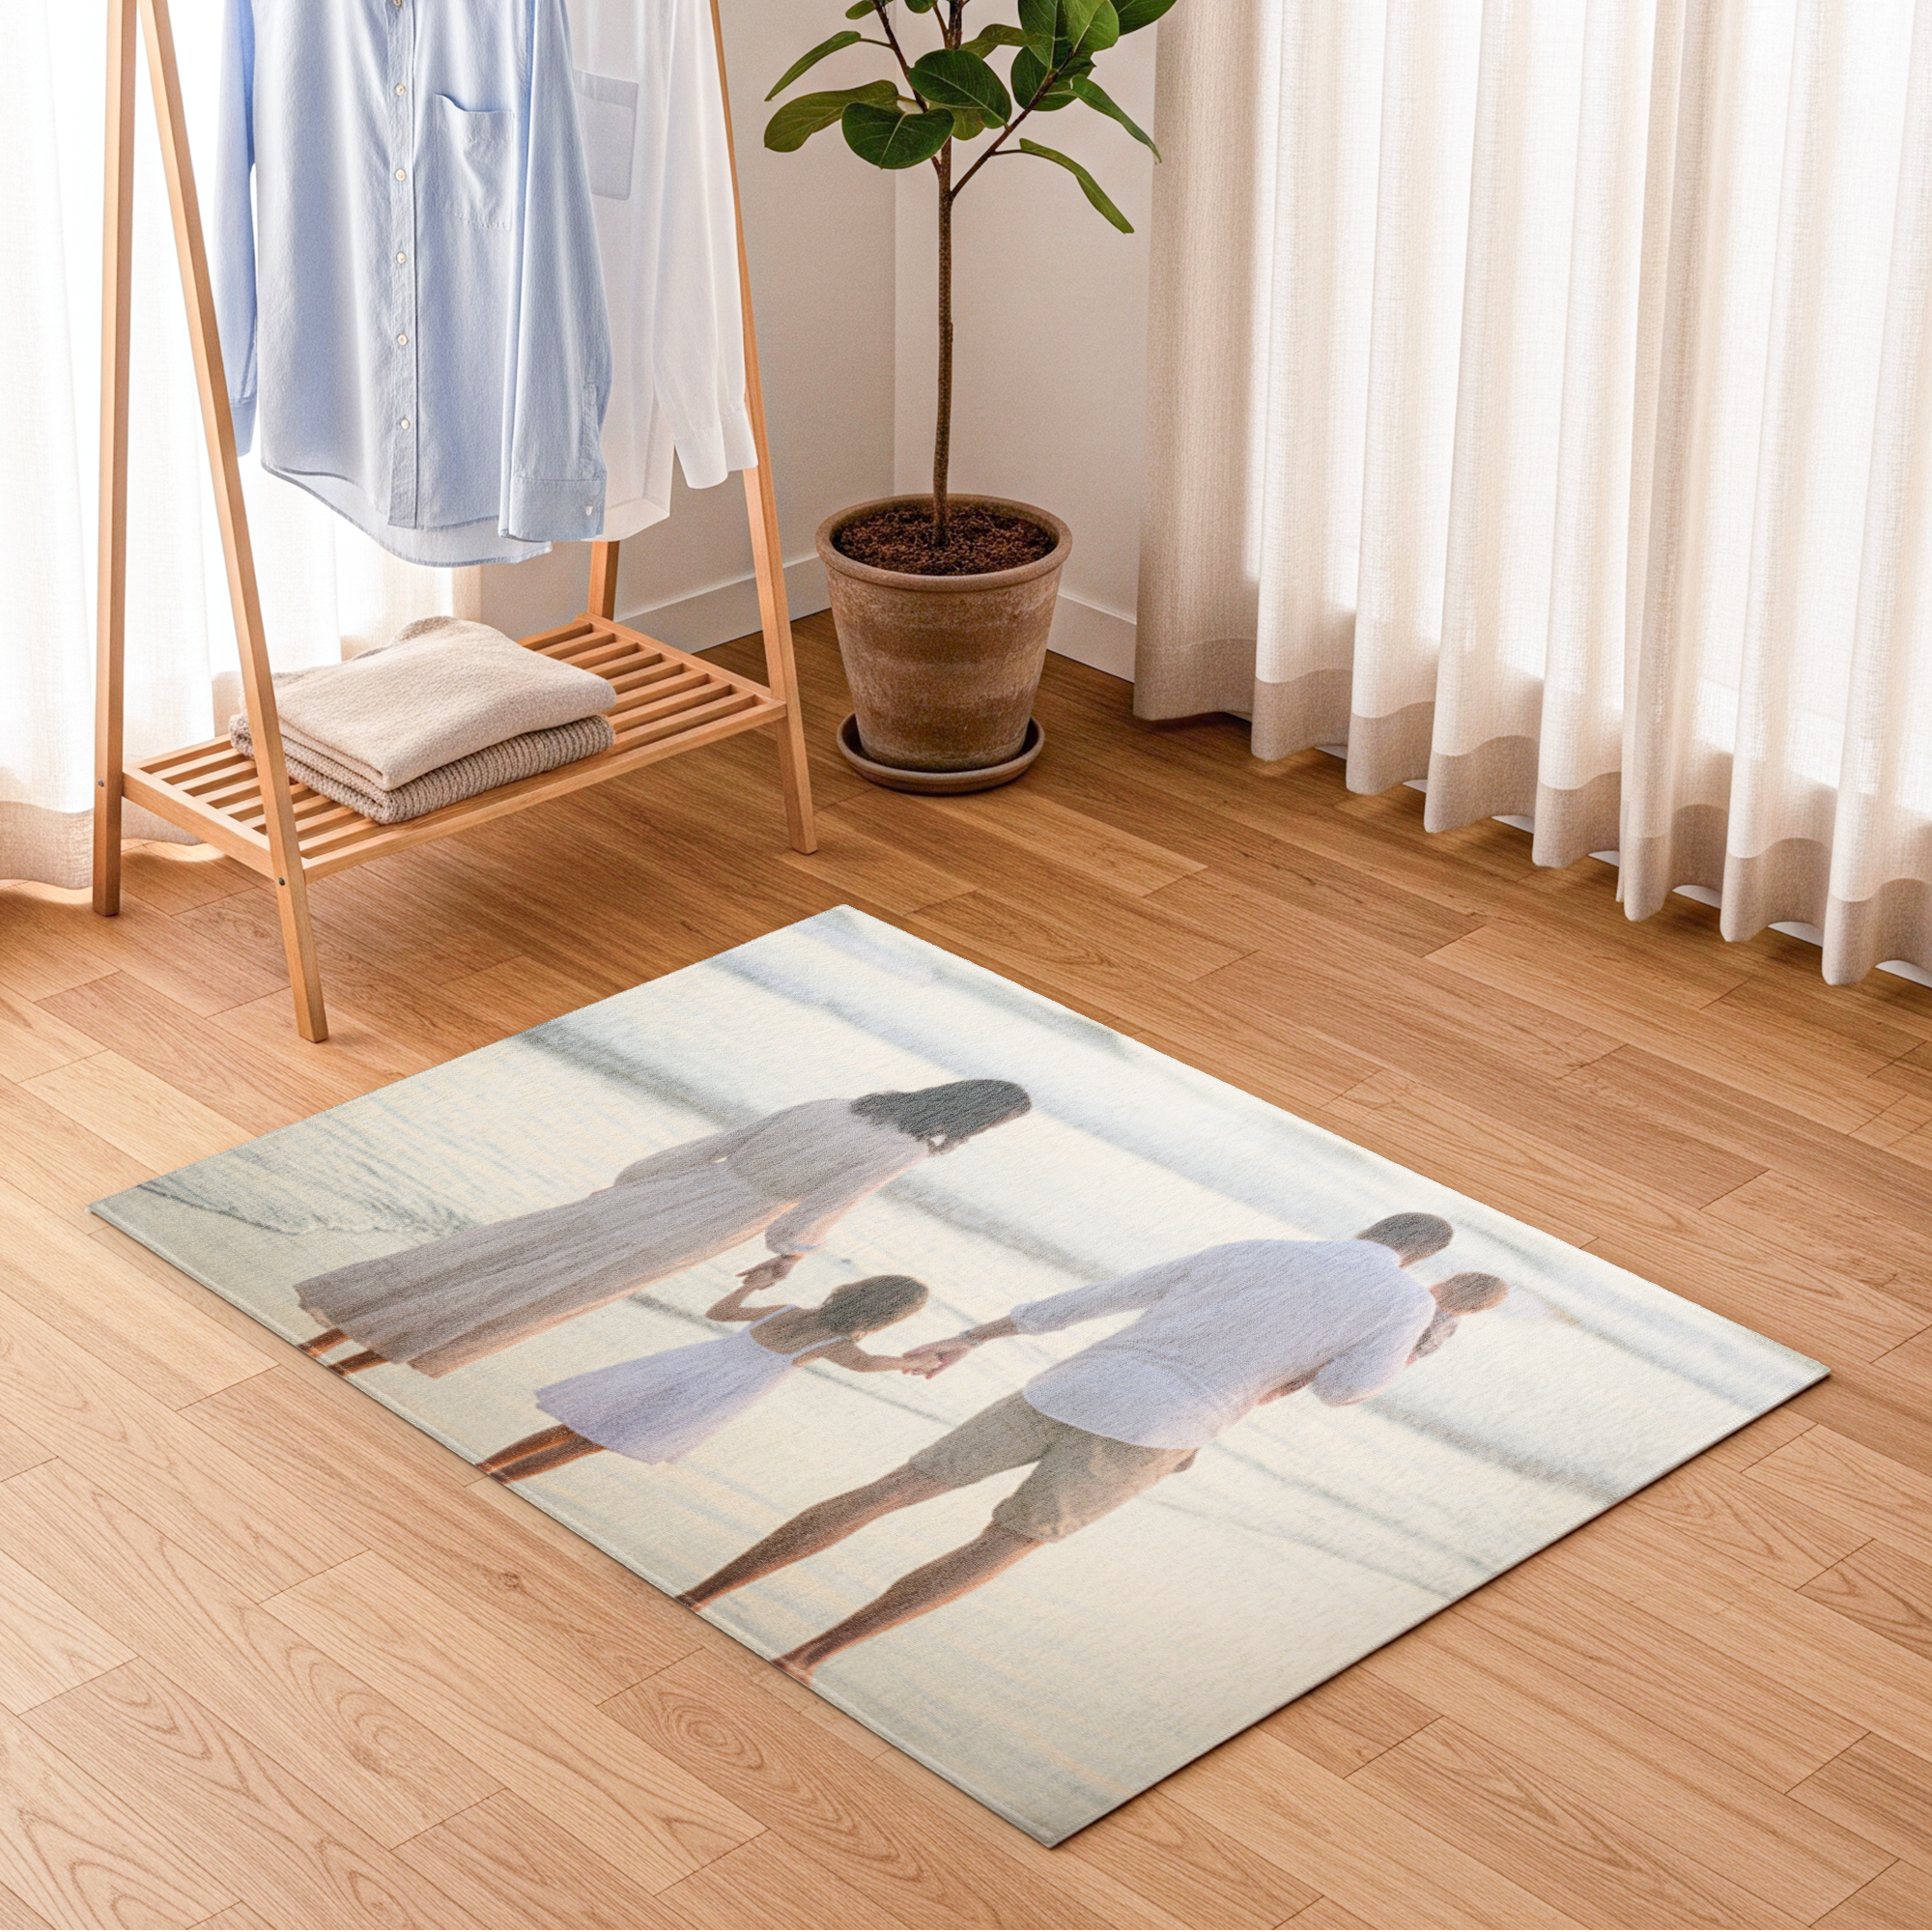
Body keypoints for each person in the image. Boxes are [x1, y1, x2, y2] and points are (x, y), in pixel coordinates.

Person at [680, 1214, 1510, 1681]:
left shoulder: (1260, 1247)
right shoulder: (1404, 1307)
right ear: (1424, 1262)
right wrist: (1415, 1335)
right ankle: (808, 1655)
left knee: (891, 1490)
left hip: (1070, 1386)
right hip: (1159, 1431)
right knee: (1005, 1543)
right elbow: (1343, 1390)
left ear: (1367, 1227)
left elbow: (1103, 1298)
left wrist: (971, 1336)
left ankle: (704, 1594)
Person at [294, 1079, 1030, 1378]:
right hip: (720, 1218)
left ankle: (329, 1331)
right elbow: (822, 1210)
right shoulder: (898, 1149)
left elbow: (724, 1137)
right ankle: (357, 1364)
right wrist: (786, 1262)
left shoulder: (840, 1105)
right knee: (544, 1291)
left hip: (683, 1184)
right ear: (973, 1123)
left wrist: (641, 1175)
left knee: (503, 1254)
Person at [475, 1273, 931, 1482]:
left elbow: (721, 1312)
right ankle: (503, 1480)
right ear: (884, 1317)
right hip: (715, 1392)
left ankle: (488, 1467)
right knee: (596, 1440)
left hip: (691, 1364)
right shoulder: (835, 1346)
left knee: (577, 1427)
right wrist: (915, 1363)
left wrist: (753, 1284)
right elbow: (868, 1365)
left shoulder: (787, 1310)